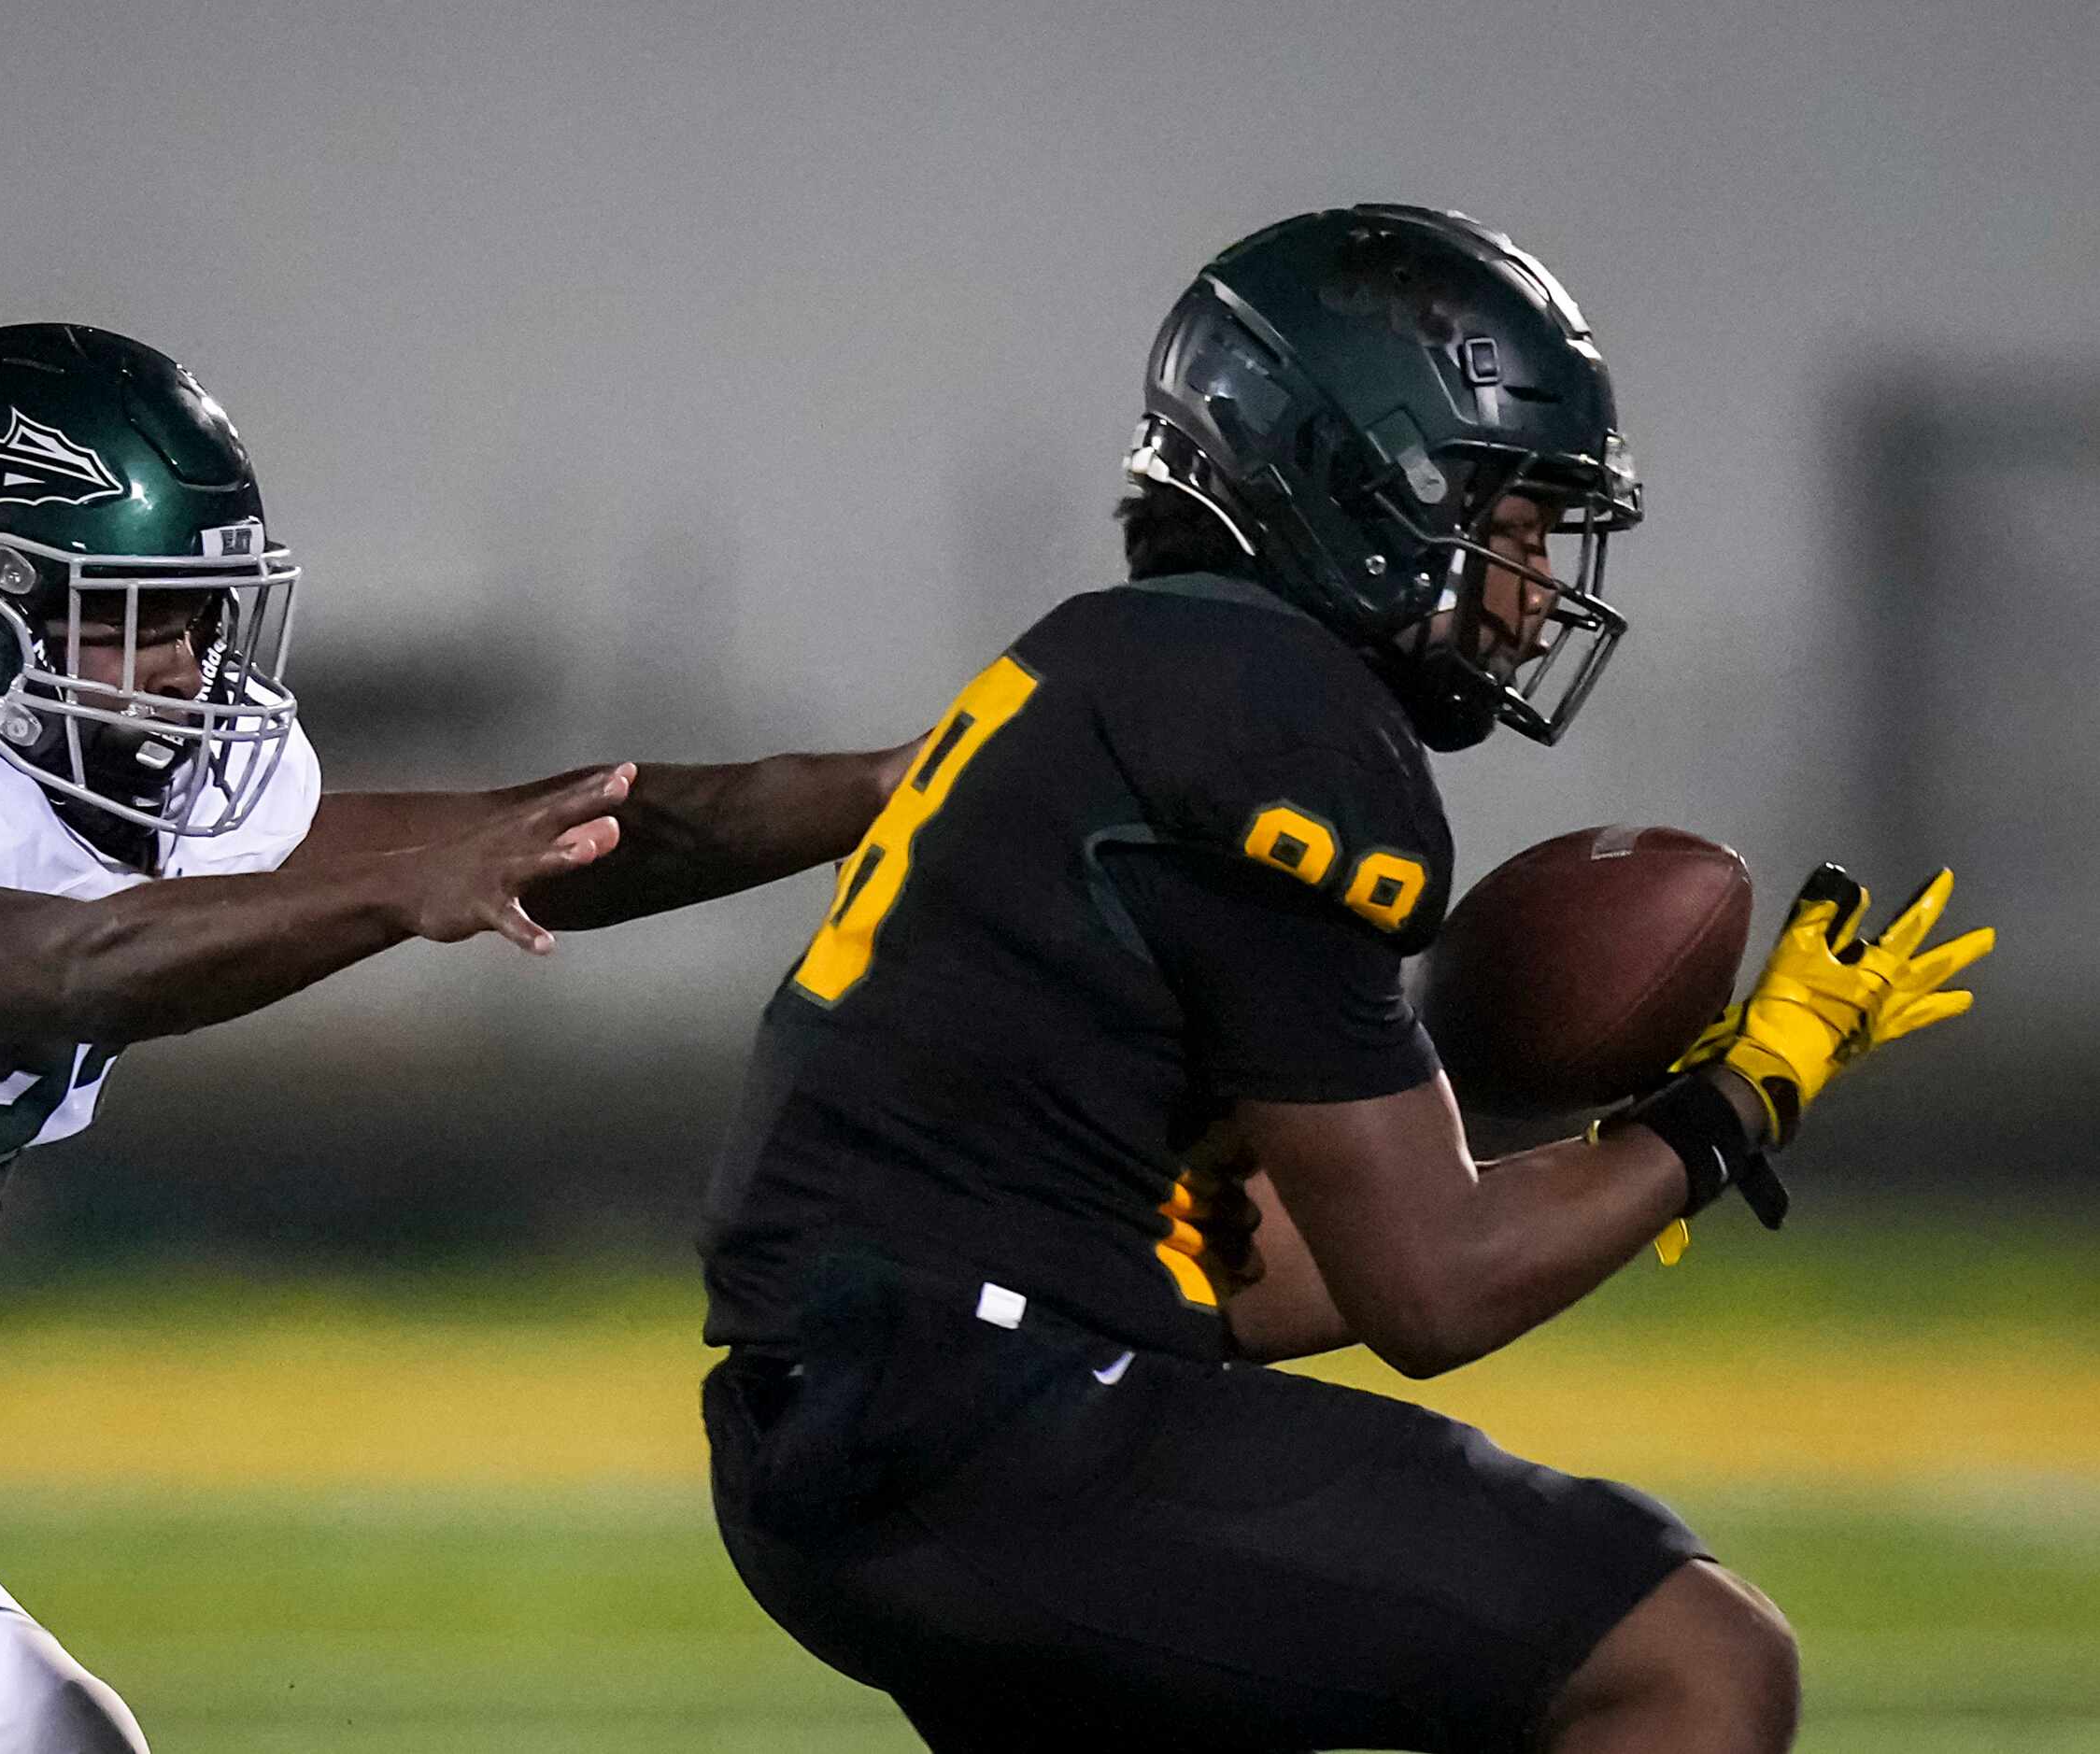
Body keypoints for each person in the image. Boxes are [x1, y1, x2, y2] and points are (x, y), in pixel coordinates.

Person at [0, 322, 915, 1753]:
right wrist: (388, 898)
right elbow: (51, 965)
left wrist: (915, 781)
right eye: (132, 614)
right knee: (18, 1731)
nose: (182, 664)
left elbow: (555, 831)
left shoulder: (85, 767)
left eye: (198, 614)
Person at [697, 205, 1993, 1752]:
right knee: (1694, 1659)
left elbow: (1260, 1275)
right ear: (1352, 483)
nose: (1526, 594)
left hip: (872, 1415)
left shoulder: (1129, 665)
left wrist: (1601, 1162)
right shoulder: (1277, 719)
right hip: (990, 1420)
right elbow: (1431, 1290)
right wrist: (1733, 1106)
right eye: (1507, 524)